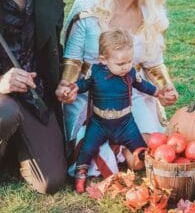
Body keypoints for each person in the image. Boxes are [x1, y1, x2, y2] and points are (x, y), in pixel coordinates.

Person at [56, 0, 178, 178]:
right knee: (90, 154)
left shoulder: (150, 18)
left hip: (131, 94)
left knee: (150, 148)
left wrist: (165, 87)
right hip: (88, 95)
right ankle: (114, 149)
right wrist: (66, 85)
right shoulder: (87, 6)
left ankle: (127, 150)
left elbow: (154, 63)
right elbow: (72, 59)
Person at [0, 0, 66, 194]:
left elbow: (54, 37)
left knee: (52, 180)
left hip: (35, 93)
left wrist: (64, 80)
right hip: (2, 97)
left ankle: (14, 145)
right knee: (5, 113)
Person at [57, 29, 167, 193]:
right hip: (99, 122)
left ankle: (152, 172)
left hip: (125, 123)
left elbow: (142, 85)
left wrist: (158, 92)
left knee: (141, 148)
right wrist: (72, 88)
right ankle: (81, 175)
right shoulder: (95, 72)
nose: (126, 66)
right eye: (120, 63)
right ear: (103, 60)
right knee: (87, 148)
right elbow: (83, 84)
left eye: (129, 61)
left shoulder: (130, 72)